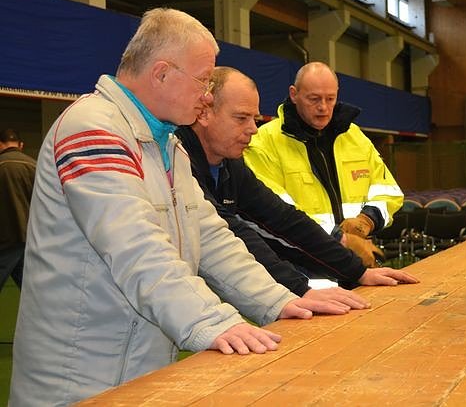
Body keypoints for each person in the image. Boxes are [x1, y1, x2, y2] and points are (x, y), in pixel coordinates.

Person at [10, 8, 345, 406]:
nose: (207, 94)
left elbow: (212, 236)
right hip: (78, 381)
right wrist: (212, 322)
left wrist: (279, 299)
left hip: (138, 369)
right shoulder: (91, 129)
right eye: (203, 80)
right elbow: (136, 247)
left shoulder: (167, 145)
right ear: (161, 73)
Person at [176, 66, 418, 305]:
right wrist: (299, 289)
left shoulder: (231, 165)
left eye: (254, 118)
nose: (252, 129)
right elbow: (237, 235)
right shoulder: (179, 162)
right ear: (204, 112)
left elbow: (284, 220)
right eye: (241, 118)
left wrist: (358, 272)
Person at [244, 62, 403, 268]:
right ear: (294, 94)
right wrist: (339, 237)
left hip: (358, 263)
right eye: (314, 99)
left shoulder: (354, 136)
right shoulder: (264, 142)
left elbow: (388, 190)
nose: (323, 107)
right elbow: (277, 211)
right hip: (301, 266)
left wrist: (367, 219)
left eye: (330, 98)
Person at [0, 128, 36, 291]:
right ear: (21, 145)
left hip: (4, 239)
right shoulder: (34, 166)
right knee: (32, 291)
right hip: (28, 238)